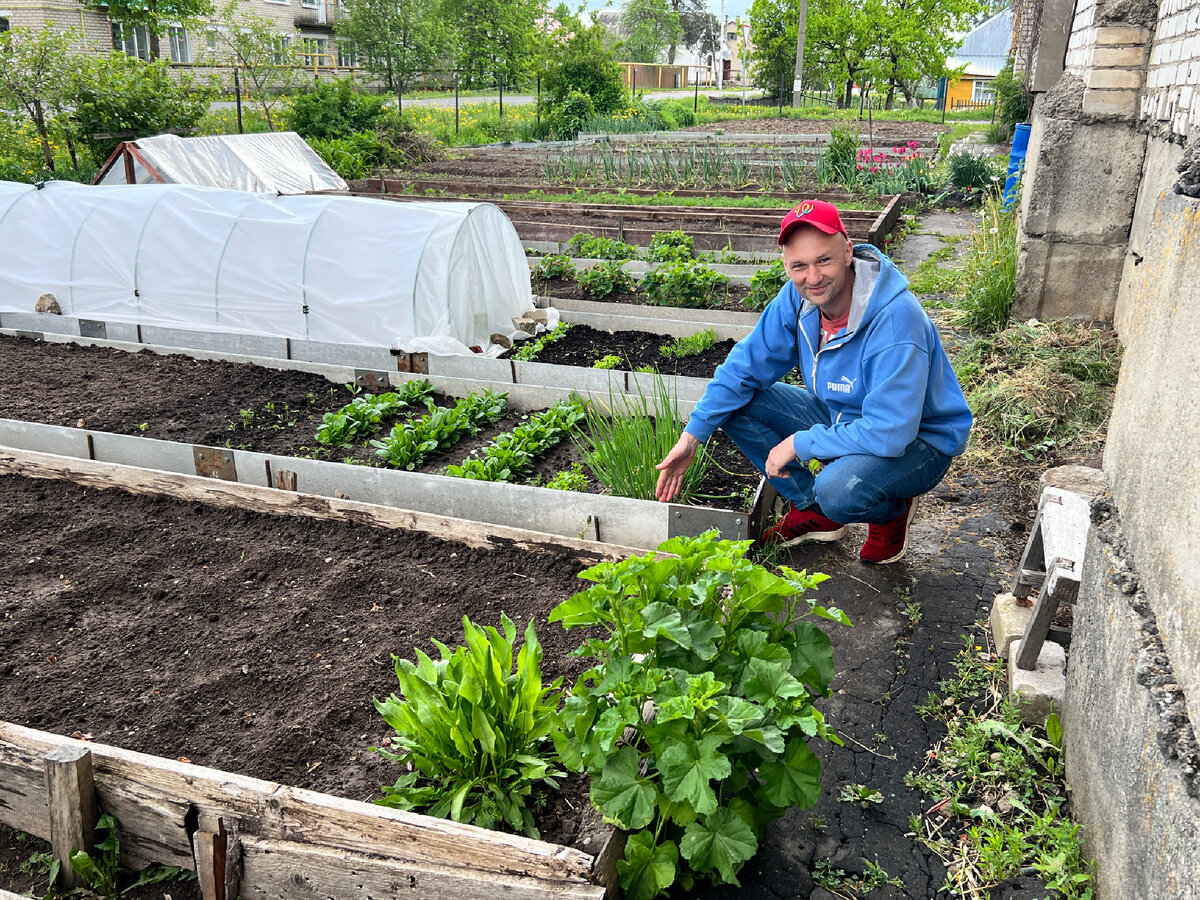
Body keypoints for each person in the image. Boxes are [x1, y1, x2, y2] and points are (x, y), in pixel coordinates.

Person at [654, 199, 972, 564]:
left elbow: (890, 431)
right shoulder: (799, 298)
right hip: (844, 415)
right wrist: (692, 436)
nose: (813, 277)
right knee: (736, 402)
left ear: (848, 251)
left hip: (918, 440)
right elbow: (745, 366)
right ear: (787, 266)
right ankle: (814, 510)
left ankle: (890, 510)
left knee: (839, 489)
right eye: (799, 266)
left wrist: (800, 442)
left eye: (824, 260)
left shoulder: (896, 320)